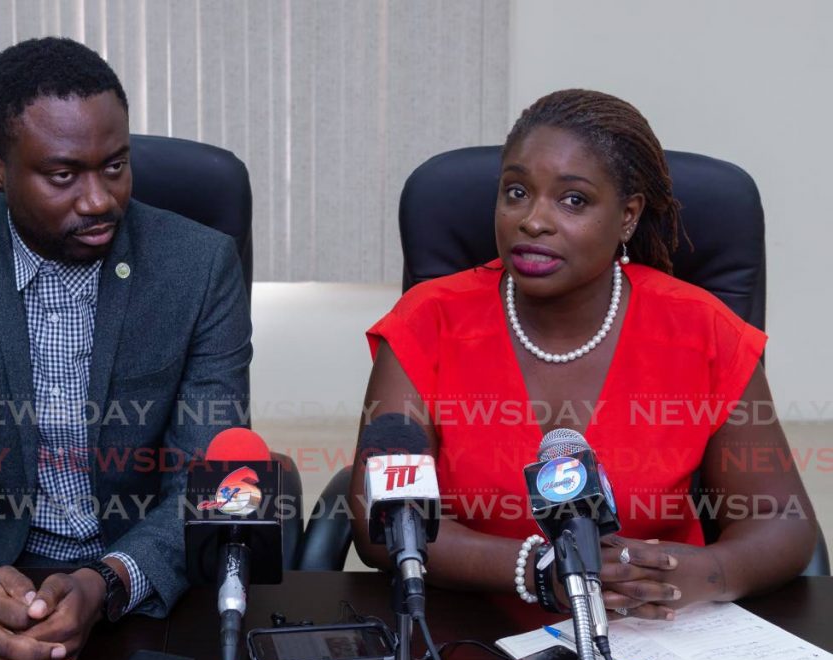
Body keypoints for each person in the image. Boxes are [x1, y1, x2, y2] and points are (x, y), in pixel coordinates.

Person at [350, 89, 817, 620]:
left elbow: (781, 517)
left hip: (655, 636)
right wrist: (539, 570)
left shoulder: (703, 330)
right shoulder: (427, 321)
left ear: (627, 217)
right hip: (470, 633)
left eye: (573, 200)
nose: (533, 221)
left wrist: (702, 573)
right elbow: (380, 522)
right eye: (516, 192)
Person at [0, 37, 251, 660]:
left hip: (146, 585)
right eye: (63, 175)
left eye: (115, 166)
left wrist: (106, 582)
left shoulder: (201, 266)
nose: (100, 199)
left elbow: (203, 483)